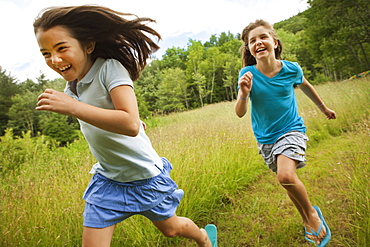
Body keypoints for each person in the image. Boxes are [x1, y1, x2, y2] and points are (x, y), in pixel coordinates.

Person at [34, 5, 214, 247]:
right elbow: (115, 118)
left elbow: (129, 124)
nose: (54, 60)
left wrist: (73, 107)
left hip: (143, 177)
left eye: (61, 48)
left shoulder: (109, 68)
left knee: (172, 229)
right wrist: (128, 119)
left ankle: (203, 237)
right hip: (108, 179)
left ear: (88, 45)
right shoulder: (73, 87)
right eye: (46, 53)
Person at [235, 19, 335, 247]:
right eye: (252, 41)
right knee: (286, 179)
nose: (258, 42)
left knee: (286, 176)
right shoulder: (247, 73)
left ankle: (311, 215)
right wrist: (243, 92)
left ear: (275, 42)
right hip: (265, 139)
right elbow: (240, 112)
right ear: (249, 48)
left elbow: (306, 85)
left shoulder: (291, 69)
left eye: (263, 37)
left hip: (291, 130)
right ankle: (305, 217)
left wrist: (324, 108)